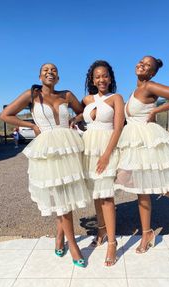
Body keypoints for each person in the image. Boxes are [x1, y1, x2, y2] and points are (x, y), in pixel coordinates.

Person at [0, 63, 90, 267]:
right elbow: (5, 115)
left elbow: (82, 112)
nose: (50, 72)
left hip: (68, 147)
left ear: (58, 77)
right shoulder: (32, 95)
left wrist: (75, 120)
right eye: (46, 70)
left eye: (54, 70)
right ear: (40, 77)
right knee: (61, 196)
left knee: (65, 195)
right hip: (48, 150)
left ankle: (60, 237)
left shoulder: (66, 95)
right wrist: (31, 125)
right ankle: (73, 245)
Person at [114, 56, 169, 254]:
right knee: (124, 177)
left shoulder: (150, 85)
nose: (142, 65)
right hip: (133, 139)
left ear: (153, 72)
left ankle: (147, 233)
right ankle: (165, 189)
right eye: (140, 61)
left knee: (142, 188)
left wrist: (158, 108)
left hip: (144, 138)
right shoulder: (135, 91)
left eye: (148, 65)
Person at [73, 60, 125, 266]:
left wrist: (106, 154)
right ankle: (101, 232)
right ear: (92, 80)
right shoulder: (87, 99)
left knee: (106, 197)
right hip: (89, 148)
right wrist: (75, 119)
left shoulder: (116, 98)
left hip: (106, 148)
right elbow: (86, 116)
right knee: (96, 194)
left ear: (110, 78)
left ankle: (112, 243)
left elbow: (118, 127)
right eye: (97, 76)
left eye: (104, 75)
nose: (101, 79)